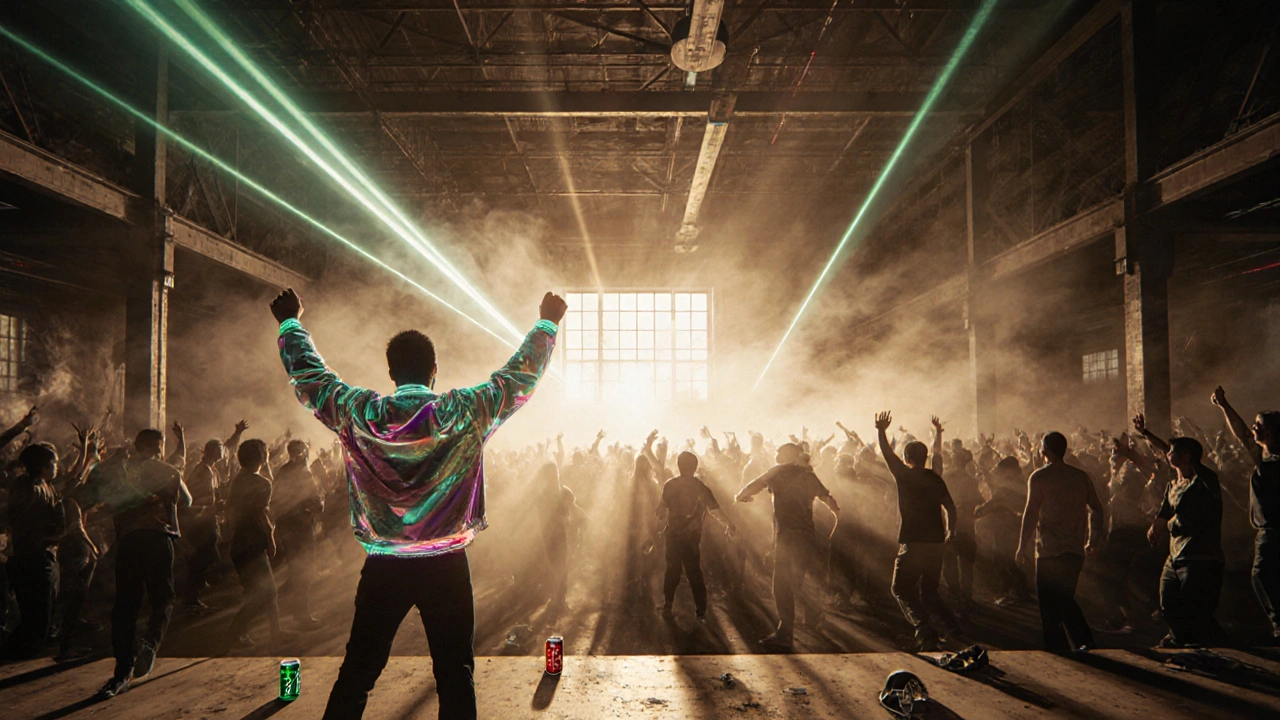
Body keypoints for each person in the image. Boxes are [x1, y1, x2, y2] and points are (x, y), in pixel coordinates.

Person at [272, 287, 564, 720]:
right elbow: (517, 379)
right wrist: (547, 324)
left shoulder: (360, 413)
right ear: (434, 370)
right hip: (446, 564)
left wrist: (290, 323)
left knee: (358, 671)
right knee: (454, 673)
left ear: (391, 372)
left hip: (384, 564)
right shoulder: (463, 411)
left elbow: (312, 379)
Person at [82, 427, 192, 698]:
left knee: (126, 604)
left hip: (130, 541)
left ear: (136, 445)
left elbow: (95, 491)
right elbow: (187, 501)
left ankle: (121, 673)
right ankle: (151, 643)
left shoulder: (121, 471)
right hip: (159, 540)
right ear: (159, 446)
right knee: (163, 597)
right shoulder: (169, 471)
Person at [1127, 416, 1227, 647]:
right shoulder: (1174, 484)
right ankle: (1180, 638)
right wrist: (1155, 527)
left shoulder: (1205, 480)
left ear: (1187, 457)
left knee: (1195, 608)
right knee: (1168, 603)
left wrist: (1150, 436)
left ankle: (1213, 646)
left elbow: (1170, 451)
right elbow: (1164, 510)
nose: (1167, 454)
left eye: (1173, 452)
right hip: (1176, 555)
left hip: (1200, 556)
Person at [736, 442, 839, 649]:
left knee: (781, 585)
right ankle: (813, 619)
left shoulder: (777, 472)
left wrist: (741, 496)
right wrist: (836, 526)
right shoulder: (808, 475)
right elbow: (830, 502)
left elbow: (753, 485)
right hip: (806, 536)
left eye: (779, 452)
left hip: (787, 537)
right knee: (798, 580)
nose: (775, 454)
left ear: (787, 455)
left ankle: (786, 632)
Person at [876, 413, 960, 651]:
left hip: (914, 543)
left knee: (900, 588)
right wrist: (951, 532)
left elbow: (886, 454)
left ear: (906, 457)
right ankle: (953, 628)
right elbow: (951, 508)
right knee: (930, 592)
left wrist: (881, 431)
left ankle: (924, 630)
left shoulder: (903, 475)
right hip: (936, 543)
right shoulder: (935, 478)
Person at [1016, 431, 1104, 654]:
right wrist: (1093, 538)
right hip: (1074, 550)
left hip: (1048, 550)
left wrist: (1021, 546)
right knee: (1064, 597)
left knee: (1050, 604)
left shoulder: (1039, 477)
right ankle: (1082, 642)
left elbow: (1031, 513)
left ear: (1044, 451)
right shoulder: (1080, 477)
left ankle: (1060, 649)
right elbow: (1097, 508)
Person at [1212, 386, 1280, 644]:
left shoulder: (1270, 460)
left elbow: (1242, 435)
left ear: (1271, 431)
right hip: (1267, 531)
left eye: (1258, 425)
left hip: (1273, 531)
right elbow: (1242, 433)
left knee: (1261, 574)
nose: (1253, 429)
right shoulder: (1265, 457)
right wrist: (1223, 406)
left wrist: (1224, 405)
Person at [227, 439, 296, 647]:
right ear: (261, 457)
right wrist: (271, 538)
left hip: (239, 541)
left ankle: (275, 633)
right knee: (265, 592)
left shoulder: (238, 480)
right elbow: (260, 514)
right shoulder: (261, 483)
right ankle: (236, 631)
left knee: (261, 591)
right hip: (253, 542)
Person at [652, 451, 736, 621]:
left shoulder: (670, 485)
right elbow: (715, 510)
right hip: (691, 538)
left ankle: (668, 606)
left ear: (678, 465)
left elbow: (660, 510)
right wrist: (729, 524)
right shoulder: (701, 487)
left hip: (673, 537)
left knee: (672, 571)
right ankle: (701, 611)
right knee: (694, 573)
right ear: (695, 467)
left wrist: (657, 526)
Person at [5, 443, 67, 659]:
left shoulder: (45, 486)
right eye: (53, 463)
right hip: (32, 558)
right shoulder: (28, 488)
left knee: (41, 618)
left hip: (42, 556)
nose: (57, 466)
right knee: (36, 620)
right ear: (42, 466)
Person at [274, 439, 324, 629]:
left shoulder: (283, 471)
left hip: (287, 525)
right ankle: (301, 615)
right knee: (304, 570)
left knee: (296, 569)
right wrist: (319, 503)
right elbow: (315, 503)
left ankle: (295, 610)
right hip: (300, 527)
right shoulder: (303, 474)